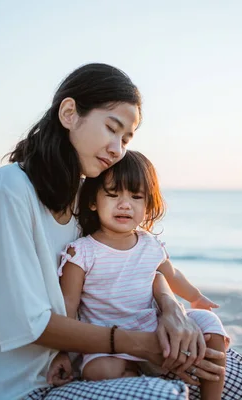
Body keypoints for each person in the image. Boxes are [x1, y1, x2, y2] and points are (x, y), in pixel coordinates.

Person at [0, 63, 242, 400]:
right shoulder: (7, 193)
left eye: (126, 139)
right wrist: (142, 345)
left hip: (83, 368)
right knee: (163, 395)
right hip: (22, 388)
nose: (118, 149)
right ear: (70, 113)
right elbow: (29, 325)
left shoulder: (82, 199)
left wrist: (171, 310)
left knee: (241, 382)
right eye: (111, 129)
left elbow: (130, 262)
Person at [48, 150, 229, 400]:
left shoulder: (150, 245)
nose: (125, 204)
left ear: (148, 205)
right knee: (99, 370)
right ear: (92, 201)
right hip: (107, 341)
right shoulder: (82, 252)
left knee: (212, 327)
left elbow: (172, 275)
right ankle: (136, 381)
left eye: (136, 196)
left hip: (154, 328)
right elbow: (68, 304)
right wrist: (62, 352)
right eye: (113, 195)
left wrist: (195, 297)